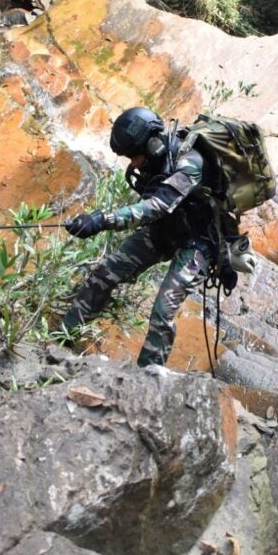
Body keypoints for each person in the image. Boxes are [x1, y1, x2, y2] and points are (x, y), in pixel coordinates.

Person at [63, 107, 239, 368]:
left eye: (134, 156)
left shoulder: (190, 161)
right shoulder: (156, 161)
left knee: (162, 311)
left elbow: (158, 205)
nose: (133, 163)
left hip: (198, 243)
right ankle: (63, 338)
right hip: (165, 231)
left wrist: (103, 220)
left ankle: (146, 379)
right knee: (105, 272)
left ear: (153, 143)